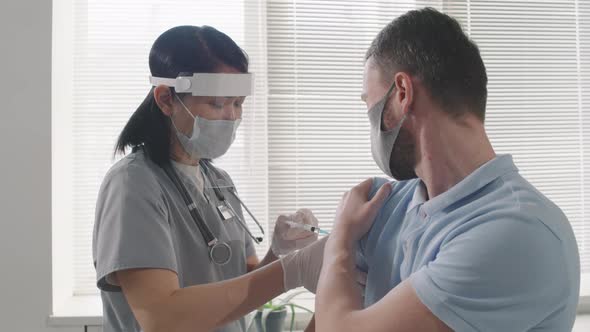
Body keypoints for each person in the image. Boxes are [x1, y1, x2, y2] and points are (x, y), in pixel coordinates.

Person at [314, 8, 580, 332]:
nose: (369, 125)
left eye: (370, 107)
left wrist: (339, 240)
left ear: (402, 94)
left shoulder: (519, 231)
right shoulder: (388, 203)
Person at [92, 25, 326, 332]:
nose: (231, 116)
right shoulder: (133, 185)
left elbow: (240, 285)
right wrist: (289, 272)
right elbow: (162, 316)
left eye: (238, 103)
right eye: (217, 104)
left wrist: (279, 253)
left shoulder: (219, 182)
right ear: (165, 99)